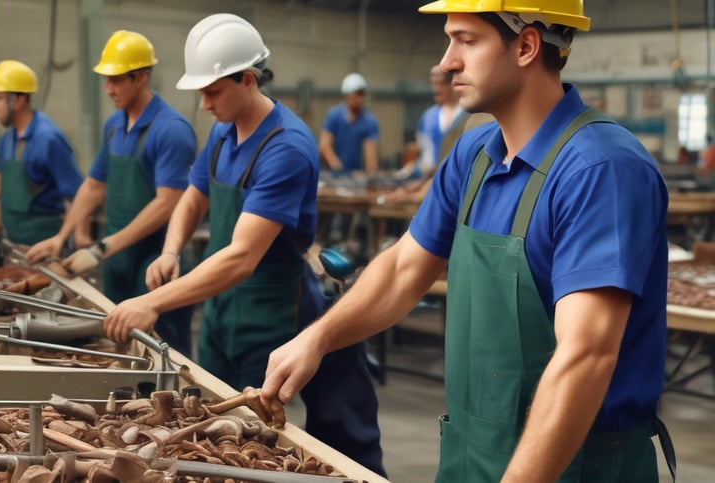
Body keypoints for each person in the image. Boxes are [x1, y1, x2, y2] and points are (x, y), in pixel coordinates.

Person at [262, 1, 675, 482]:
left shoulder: (600, 170)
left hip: (575, 465)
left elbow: (584, 356)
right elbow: (402, 270)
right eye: (449, 38)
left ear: (526, 45)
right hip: (470, 453)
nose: (446, 60)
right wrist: (318, 338)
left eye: (466, 39)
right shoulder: (475, 153)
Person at [100, 14, 386, 476]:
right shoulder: (223, 129)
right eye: (201, 92)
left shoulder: (285, 148)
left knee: (255, 440)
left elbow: (240, 257)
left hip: (269, 313)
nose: (204, 104)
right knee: (209, 421)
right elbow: (193, 198)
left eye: (213, 91)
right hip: (218, 310)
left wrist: (151, 302)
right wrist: (171, 250)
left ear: (247, 80)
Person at [25, 31, 197, 357]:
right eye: (106, 80)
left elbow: (167, 202)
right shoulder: (115, 125)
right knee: (122, 355)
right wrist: (61, 237)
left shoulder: (171, 130)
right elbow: (93, 185)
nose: (108, 90)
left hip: (157, 268)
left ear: (141, 77)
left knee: (166, 359)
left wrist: (103, 247)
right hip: (119, 264)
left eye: (116, 81)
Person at [0, 60, 86, 246]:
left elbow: (77, 195)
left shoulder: (49, 139)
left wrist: (80, 236)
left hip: (43, 242)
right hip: (14, 242)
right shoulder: (8, 139)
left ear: (19, 100)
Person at [386, 64, 493, 204]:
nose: (436, 89)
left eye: (441, 83)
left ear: (453, 83)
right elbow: (422, 154)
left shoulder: (470, 117)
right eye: (433, 83)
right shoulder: (428, 117)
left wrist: (414, 195)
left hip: (453, 187)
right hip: (429, 182)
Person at [319, 72, 380, 174]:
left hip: (355, 175)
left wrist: (371, 176)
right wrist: (336, 165)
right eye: (353, 95)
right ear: (346, 96)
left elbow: (371, 156)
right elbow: (324, 145)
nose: (356, 99)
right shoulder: (334, 116)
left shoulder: (369, 121)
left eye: (360, 94)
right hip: (332, 174)